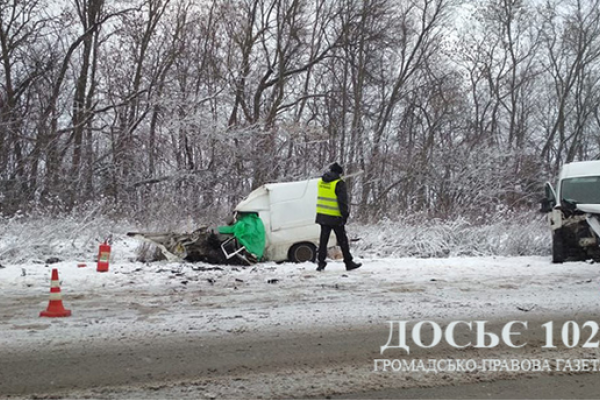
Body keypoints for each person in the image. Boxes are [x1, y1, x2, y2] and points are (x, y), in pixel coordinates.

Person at [315, 162, 362, 272]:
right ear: (339, 173)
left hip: (322, 215)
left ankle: (321, 263)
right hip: (335, 217)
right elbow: (342, 202)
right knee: (342, 240)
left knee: (323, 241)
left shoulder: (321, 182)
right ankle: (348, 262)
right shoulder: (339, 183)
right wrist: (344, 215)